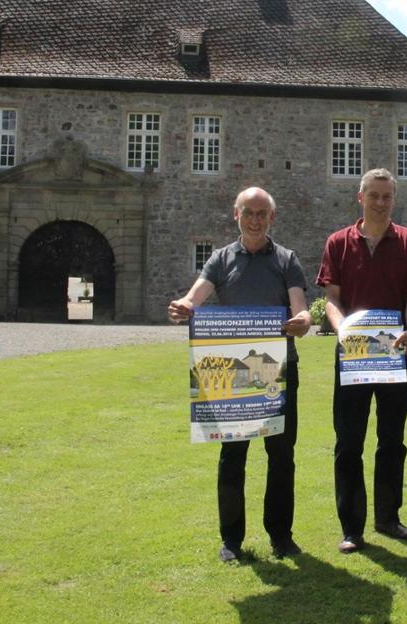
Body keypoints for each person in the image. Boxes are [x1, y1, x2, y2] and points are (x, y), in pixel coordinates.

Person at [167, 186, 312, 562]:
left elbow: (300, 306)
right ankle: (231, 540)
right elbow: (195, 296)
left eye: (262, 213)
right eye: (248, 212)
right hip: (232, 372)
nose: (255, 219)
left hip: (278, 370)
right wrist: (184, 305)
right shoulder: (220, 259)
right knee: (232, 455)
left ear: (272, 218)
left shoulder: (286, 259)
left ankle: (281, 536)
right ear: (236, 215)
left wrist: (303, 319)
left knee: (281, 456)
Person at [316, 168, 407, 554]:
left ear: (393, 200)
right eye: (374, 195)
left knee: (392, 441)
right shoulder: (338, 242)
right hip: (353, 354)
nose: (380, 202)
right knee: (348, 442)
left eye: (387, 196)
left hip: (397, 351)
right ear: (360, 198)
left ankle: (388, 517)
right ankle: (352, 527)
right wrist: (343, 329)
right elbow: (332, 299)